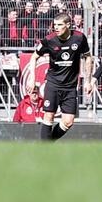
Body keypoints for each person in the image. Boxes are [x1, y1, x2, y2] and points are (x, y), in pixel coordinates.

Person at [29, 13, 92, 142]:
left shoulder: (79, 38)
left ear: (68, 25)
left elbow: (88, 57)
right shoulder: (49, 39)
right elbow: (34, 57)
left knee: (68, 121)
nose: (56, 28)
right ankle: (44, 151)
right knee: (49, 115)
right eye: (55, 25)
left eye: (59, 25)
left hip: (70, 86)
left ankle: (47, 143)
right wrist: (31, 77)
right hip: (53, 83)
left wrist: (88, 81)